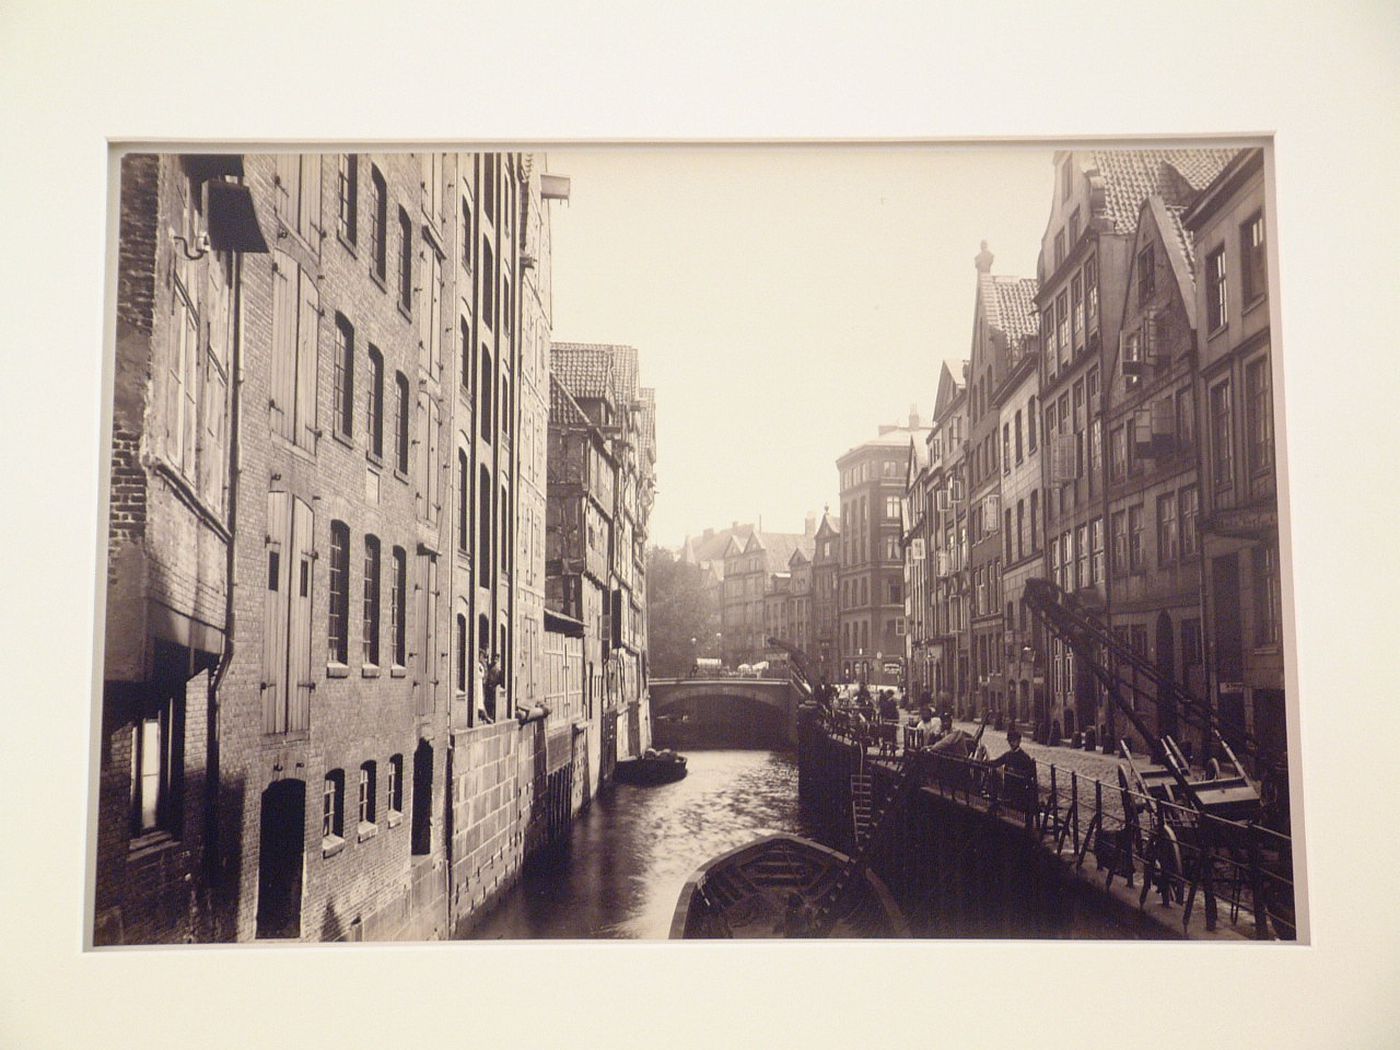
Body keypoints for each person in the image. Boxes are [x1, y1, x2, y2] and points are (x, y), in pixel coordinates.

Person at [986, 727, 1038, 810]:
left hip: (1019, 790)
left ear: (1019, 742)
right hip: (1008, 788)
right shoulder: (1008, 755)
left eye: (1013, 741)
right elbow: (997, 762)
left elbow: (1030, 774)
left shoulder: (1024, 757)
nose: (1011, 743)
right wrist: (986, 762)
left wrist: (1016, 772)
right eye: (1009, 741)